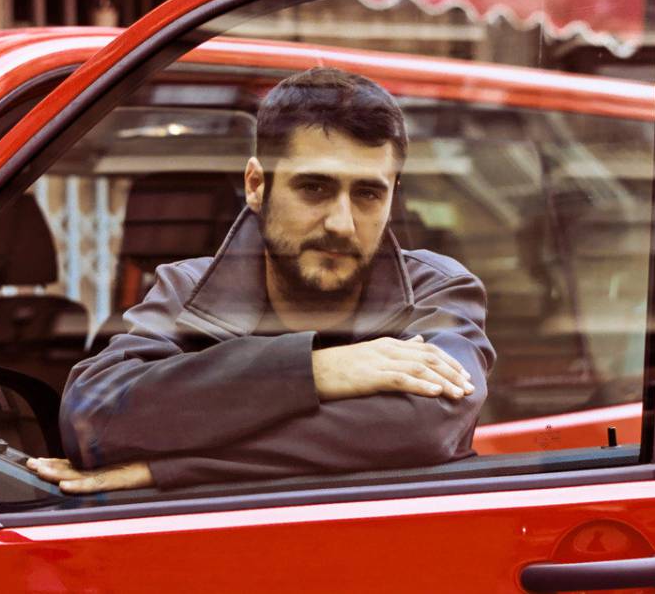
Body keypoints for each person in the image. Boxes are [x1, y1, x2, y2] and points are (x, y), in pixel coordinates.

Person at [28, 67, 495, 493]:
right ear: (256, 185)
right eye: (314, 188)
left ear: (393, 196)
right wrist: (317, 371)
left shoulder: (436, 290)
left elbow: (421, 429)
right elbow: (91, 418)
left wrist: (172, 467)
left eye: (368, 194)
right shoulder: (189, 289)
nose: (341, 223)